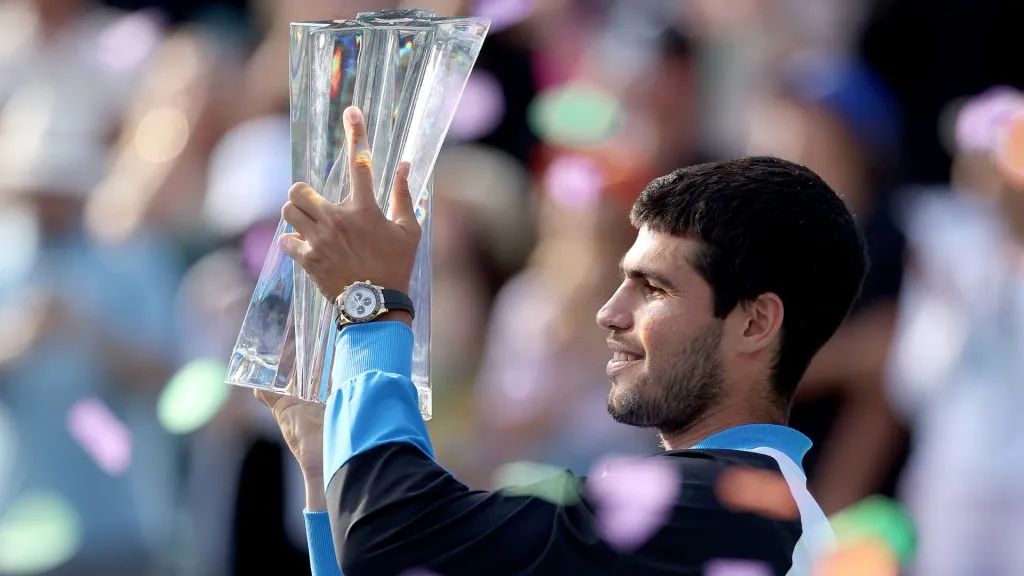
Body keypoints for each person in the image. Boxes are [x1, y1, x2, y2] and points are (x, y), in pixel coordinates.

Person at [257, 107, 867, 575]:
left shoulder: (723, 506)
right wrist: (323, 475)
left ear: (756, 323)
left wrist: (373, 306)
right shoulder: (723, 508)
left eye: (652, 288)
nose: (609, 312)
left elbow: (396, 537)